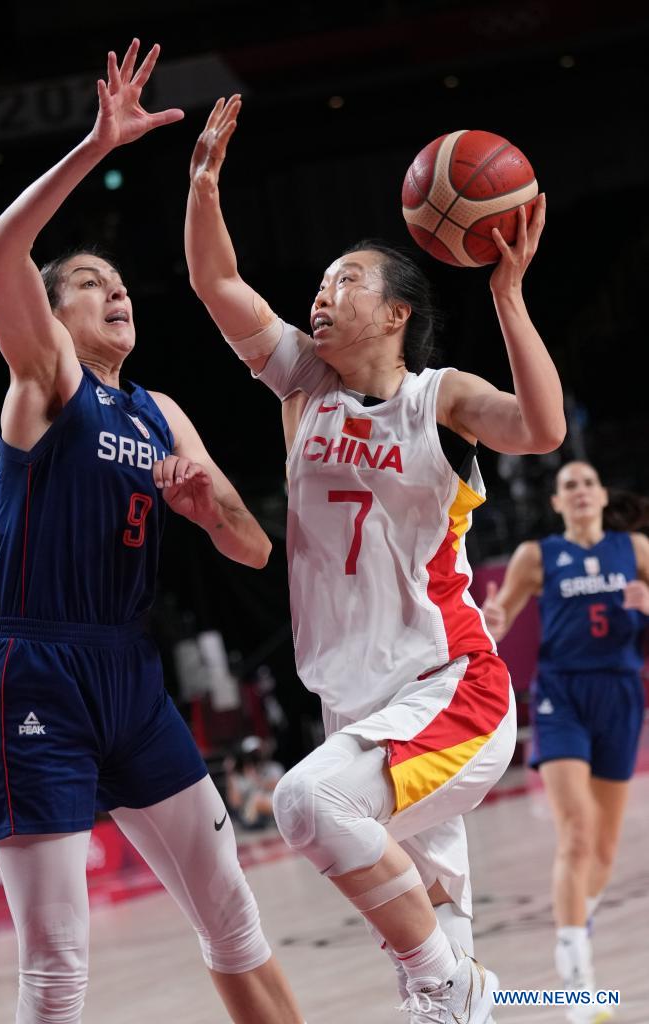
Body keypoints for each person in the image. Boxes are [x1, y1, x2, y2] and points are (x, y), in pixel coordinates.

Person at [184, 95, 566, 1023]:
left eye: (345, 281)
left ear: (395, 313)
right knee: (429, 952)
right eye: (319, 281)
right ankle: (453, 991)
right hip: (352, 702)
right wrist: (202, 186)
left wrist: (508, 297)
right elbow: (216, 281)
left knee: (308, 807)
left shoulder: (438, 398)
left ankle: (454, 983)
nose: (321, 294)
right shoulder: (302, 385)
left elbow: (541, 427)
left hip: (448, 688)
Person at [0, 44, 305, 1024]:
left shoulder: (161, 412)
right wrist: (94, 146)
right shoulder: (47, 382)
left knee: (233, 915)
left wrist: (208, 509)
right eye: (89, 281)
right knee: (57, 967)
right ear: (52, 314)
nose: (114, 290)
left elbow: (253, 548)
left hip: (128, 674)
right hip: (35, 669)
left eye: (119, 281)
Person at [482, 462, 649, 1023]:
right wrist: (494, 620)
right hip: (561, 697)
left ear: (602, 495)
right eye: (568, 486)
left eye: (587, 483)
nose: (579, 492)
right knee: (576, 831)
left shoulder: (636, 550)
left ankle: (576, 918)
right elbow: (501, 617)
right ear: (556, 503)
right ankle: (577, 977)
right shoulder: (538, 555)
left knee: (603, 848)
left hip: (620, 694)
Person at [225, 736, 285, 830]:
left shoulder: (274, 767)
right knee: (257, 799)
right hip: (251, 818)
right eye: (252, 755)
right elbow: (235, 803)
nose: (256, 757)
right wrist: (230, 774)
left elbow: (282, 788)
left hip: (275, 810)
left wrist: (257, 779)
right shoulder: (238, 777)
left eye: (258, 753)